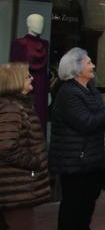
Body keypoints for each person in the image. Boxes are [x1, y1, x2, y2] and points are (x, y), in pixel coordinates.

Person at [49, 48, 105, 230]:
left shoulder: (89, 90)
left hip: (91, 160)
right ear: (76, 68)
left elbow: (100, 121)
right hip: (74, 162)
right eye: (88, 62)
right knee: (73, 209)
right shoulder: (68, 92)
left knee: (86, 207)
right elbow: (87, 123)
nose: (93, 66)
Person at [0, 63, 50, 230]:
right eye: (28, 76)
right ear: (16, 81)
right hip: (15, 189)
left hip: (17, 187)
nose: (32, 78)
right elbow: (6, 147)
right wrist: (34, 162)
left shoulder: (18, 105)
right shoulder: (11, 108)